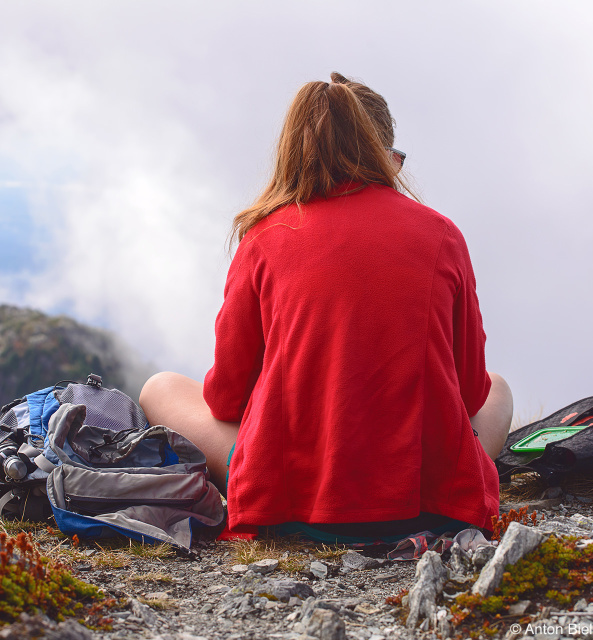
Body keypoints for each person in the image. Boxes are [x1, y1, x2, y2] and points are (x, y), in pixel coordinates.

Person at [139, 73, 513, 542]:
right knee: (500, 388)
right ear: (384, 156)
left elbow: (224, 398)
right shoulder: (442, 234)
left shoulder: (265, 237)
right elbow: (473, 392)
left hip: (290, 507)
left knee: (161, 387)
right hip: (426, 505)